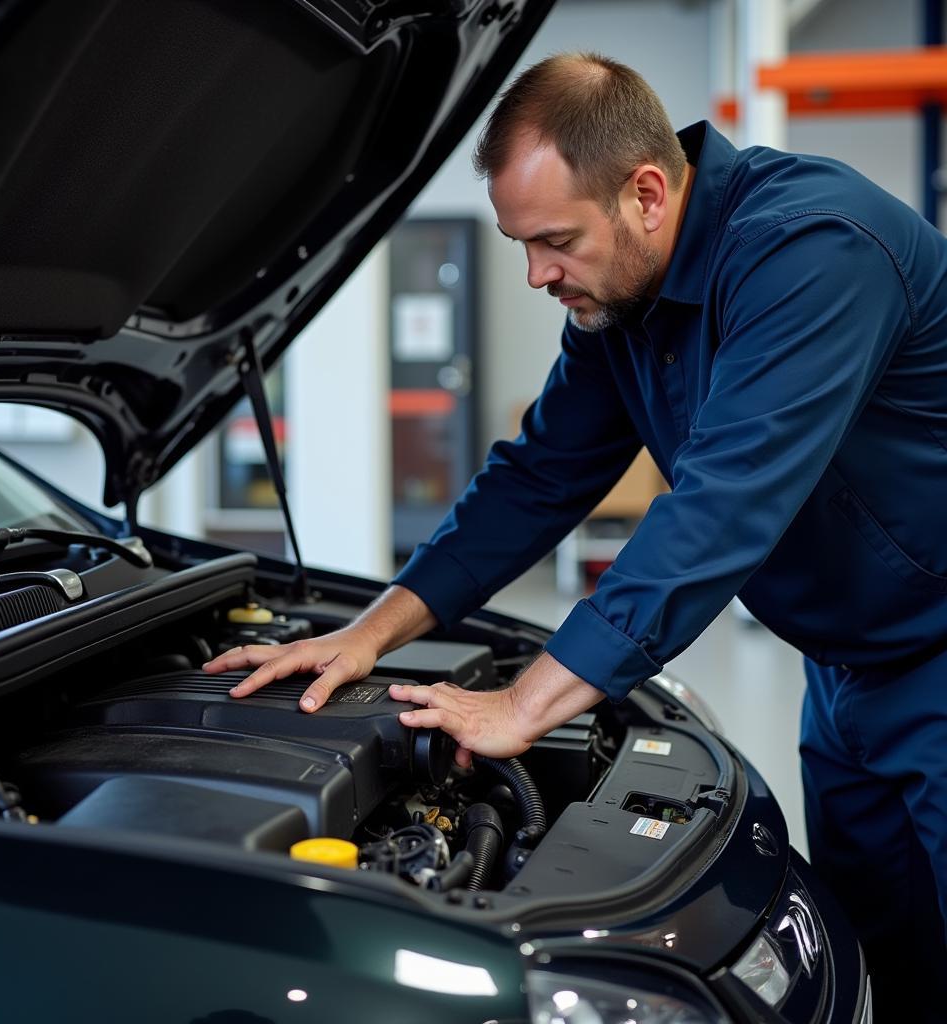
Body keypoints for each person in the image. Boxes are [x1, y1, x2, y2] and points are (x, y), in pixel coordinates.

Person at [205, 54, 947, 1017]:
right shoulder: (623, 302)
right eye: (522, 244)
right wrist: (369, 632)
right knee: (891, 960)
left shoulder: (814, 251)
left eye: (554, 240)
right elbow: (538, 476)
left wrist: (526, 704)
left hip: (936, 651)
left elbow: (722, 507)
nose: (535, 274)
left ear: (645, 192)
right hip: (844, 669)